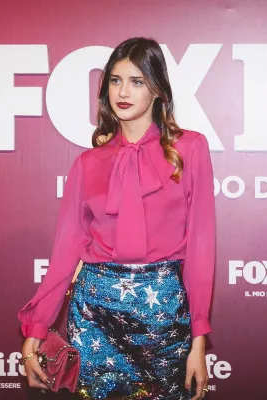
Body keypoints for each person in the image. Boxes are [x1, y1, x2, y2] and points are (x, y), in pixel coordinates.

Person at [18, 37, 216, 400]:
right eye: (115, 80)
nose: (123, 92)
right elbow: (66, 250)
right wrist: (37, 327)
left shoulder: (189, 148)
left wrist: (198, 342)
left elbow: (201, 246)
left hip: (163, 316)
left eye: (137, 81)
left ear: (158, 89)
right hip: (95, 314)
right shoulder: (87, 163)